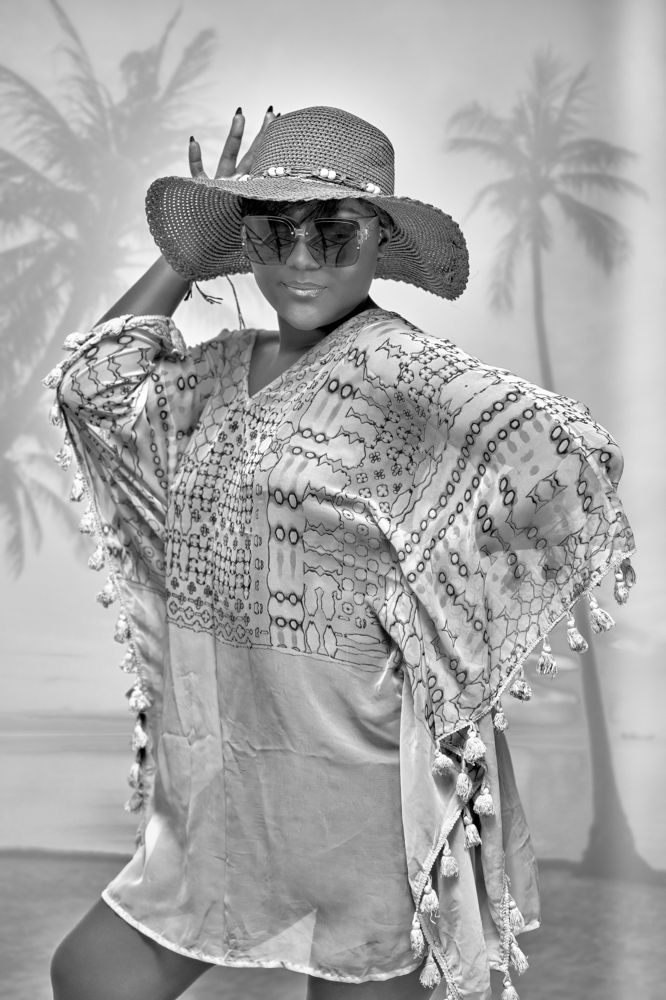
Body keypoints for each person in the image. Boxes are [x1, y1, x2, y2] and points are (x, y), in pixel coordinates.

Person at [46, 105, 635, 1000]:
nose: (304, 258)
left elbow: (566, 458)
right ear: (245, 244)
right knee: (91, 975)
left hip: (352, 791)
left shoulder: (401, 374)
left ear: (380, 238)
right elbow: (93, 388)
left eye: (334, 230)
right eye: (273, 231)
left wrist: (439, 624)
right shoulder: (209, 376)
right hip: (225, 782)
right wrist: (190, 252)